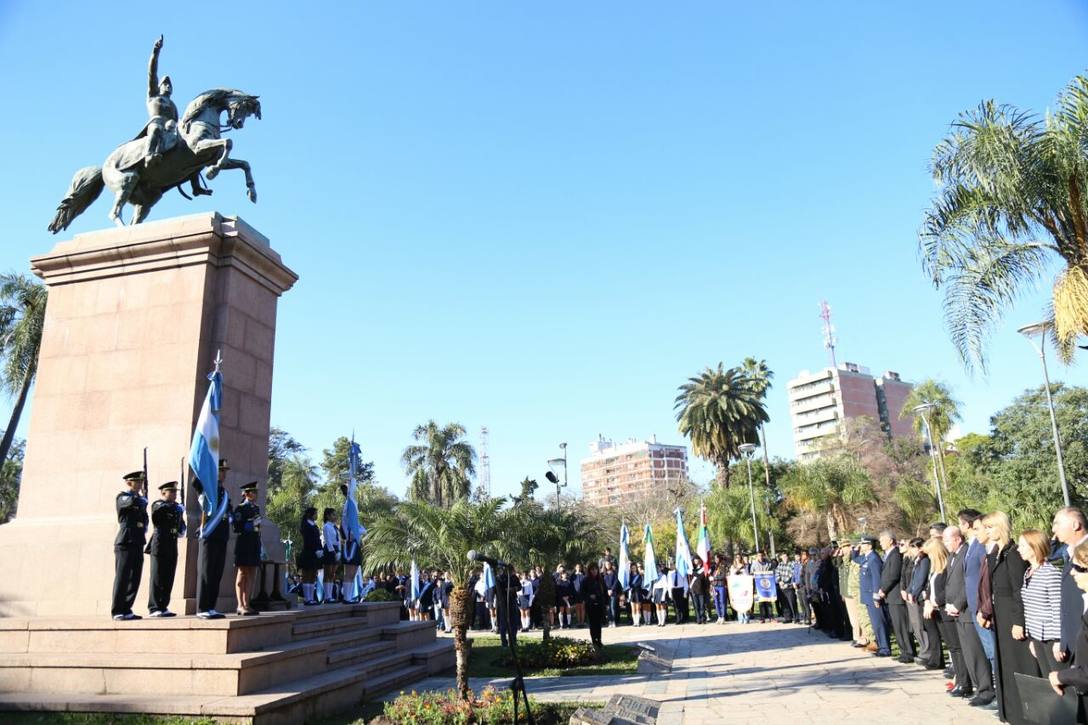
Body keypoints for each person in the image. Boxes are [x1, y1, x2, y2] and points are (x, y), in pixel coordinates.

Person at [983, 511, 1033, 724]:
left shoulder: (1012, 553)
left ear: (1000, 527)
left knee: (1017, 664)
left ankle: (1022, 714)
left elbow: (1019, 590)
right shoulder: (997, 552)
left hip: (1012, 617)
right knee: (1004, 664)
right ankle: (1009, 712)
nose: (987, 531)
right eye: (985, 527)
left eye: (990, 527)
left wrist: (1018, 621)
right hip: (1000, 616)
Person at [944, 524, 994, 706]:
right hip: (957, 612)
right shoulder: (952, 556)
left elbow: (969, 583)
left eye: (947, 539)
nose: (945, 543)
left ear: (957, 539)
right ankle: (977, 687)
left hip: (966, 609)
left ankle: (986, 690)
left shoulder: (967, 551)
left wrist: (957, 604)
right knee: (968, 653)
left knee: (977, 653)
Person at [1020, 528, 1063, 676]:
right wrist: (1031, 638)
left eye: (1023, 546)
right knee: (1047, 678)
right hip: (1037, 635)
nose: (1019, 549)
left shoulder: (1050, 573)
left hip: (1051, 637)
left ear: (1035, 547)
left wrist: (1059, 640)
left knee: (1059, 678)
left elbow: (1058, 608)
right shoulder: (1028, 573)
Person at [194, 459, 232, 619]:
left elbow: (228, 510)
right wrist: (205, 470)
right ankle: (203, 607)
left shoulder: (224, 492)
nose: (224, 474)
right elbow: (195, 483)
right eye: (221, 471)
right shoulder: (208, 488)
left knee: (216, 572)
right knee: (206, 572)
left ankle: (211, 606)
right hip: (210, 535)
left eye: (224, 471)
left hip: (221, 535)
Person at [1053, 506, 1088, 668]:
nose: (1053, 529)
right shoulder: (1069, 553)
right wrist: (1063, 638)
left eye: (1057, 523)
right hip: (1074, 640)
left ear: (1075, 525)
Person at [112, 470, 148, 620]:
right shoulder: (122, 497)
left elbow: (145, 518)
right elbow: (131, 502)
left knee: (135, 577)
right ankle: (117, 610)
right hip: (125, 541)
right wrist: (141, 498)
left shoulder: (140, 500)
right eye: (137, 482)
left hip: (138, 541)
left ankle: (127, 608)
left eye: (141, 482)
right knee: (122, 577)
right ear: (129, 483)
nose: (140, 485)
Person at [147, 480, 183, 617]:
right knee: (157, 576)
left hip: (171, 543)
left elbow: (180, 524)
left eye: (175, 492)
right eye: (171, 492)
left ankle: (163, 606)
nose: (174, 494)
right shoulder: (158, 504)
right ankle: (154, 606)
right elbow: (159, 513)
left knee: (169, 576)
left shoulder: (175, 507)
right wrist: (175, 508)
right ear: (163, 492)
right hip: (159, 544)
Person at [876, 531, 914, 663]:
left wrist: (883, 590)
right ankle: (904, 651)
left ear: (891, 541)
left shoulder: (895, 555)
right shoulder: (888, 555)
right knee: (897, 626)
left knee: (902, 626)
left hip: (896, 595)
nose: (880, 543)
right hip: (890, 597)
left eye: (882, 540)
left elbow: (894, 575)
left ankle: (908, 652)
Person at [853, 537, 890, 656]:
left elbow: (876, 578)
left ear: (869, 545)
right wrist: (855, 549)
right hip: (867, 596)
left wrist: (876, 596)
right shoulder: (866, 557)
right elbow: (855, 559)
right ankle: (881, 646)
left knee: (879, 623)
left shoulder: (874, 558)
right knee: (875, 623)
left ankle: (885, 648)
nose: (861, 545)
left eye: (863, 543)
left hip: (872, 596)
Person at [231, 481, 262, 616]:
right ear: (246, 494)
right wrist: (249, 524)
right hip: (243, 541)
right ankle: (240, 605)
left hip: (254, 542)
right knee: (242, 573)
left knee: (252, 573)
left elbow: (258, 528)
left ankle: (247, 603)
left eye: (255, 492)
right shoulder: (240, 508)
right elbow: (236, 527)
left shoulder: (256, 508)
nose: (255, 494)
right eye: (252, 492)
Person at [298, 506, 322, 605]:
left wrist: (320, 549)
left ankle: (311, 598)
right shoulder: (306, 525)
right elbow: (308, 540)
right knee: (307, 575)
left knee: (312, 575)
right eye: (315, 513)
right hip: (308, 552)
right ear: (310, 515)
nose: (316, 515)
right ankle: (307, 598)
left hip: (315, 552)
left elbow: (318, 539)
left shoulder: (314, 525)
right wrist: (315, 549)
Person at [583, 562, 608, 648]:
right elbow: (581, 593)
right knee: (592, 624)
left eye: (595, 569)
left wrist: (606, 603)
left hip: (600, 604)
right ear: (589, 570)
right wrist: (589, 596)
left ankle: (599, 640)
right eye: (592, 569)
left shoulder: (601, 579)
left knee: (599, 624)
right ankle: (594, 640)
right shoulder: (585, 580)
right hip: (590, 605)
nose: (594, 571)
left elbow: (605, 592)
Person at [320, 508, 340, 604]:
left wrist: (339, 551)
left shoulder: (335, 527)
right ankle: (327, 597)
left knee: (332, 574)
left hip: (336, 550)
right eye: (333, 515)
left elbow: (338, 540)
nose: (335, 517)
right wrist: (333, 552)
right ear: (327, 516)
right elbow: (328, 541)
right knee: (328, 573)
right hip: (329, 550)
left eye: (335, 515)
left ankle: (330, 596)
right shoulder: (326, 526)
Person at [750, 551, 774, 624]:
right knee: (761, 602)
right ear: (757, 557)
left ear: (763, 556)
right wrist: (755, 576)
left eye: (761, 556)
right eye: (759, 556)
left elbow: (772, 567)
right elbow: (751, 573)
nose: (760, 557)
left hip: (767, 585)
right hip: (759, 586)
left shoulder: (767, 563)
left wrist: (767, 557)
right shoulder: (754, 564)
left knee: (768, 601)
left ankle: (771, 617)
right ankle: (762, 618)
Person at [777, 552, 797, 625]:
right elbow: (777, 573)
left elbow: (792, 574)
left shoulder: (791, 564)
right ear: (781, 557)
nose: (785, 558)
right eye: (783, 557)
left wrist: (785, 582)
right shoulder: (780, 565)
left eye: (786, 556)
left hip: (789, 586)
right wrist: (779, 581)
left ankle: (795, 617)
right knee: (784, 604)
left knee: (792, 602)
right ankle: (787, 618)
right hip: (782, 587)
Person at [689, 558, 709, 624]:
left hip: (701, 589)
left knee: (702, 605)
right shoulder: (692, 569)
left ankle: (703, 618)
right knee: (696, 605)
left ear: (699, 560)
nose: (695, 561)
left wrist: (693, 573)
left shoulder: (703, 568)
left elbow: (701, 576)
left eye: (696, 560)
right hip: (694, 589)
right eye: (694, 560)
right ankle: (698, 619)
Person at [711, 556, 729, 624]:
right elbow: (710, 574)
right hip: (714, 586)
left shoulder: (723, 566)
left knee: (722, 601)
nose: (716, 560)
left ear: (720, 559)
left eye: (717, 559)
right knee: (716, 602)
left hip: (721, 585)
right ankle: (719, 616)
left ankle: (723, 616)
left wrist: (714, 578)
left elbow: (723, 576)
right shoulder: (713, 567)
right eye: (715, 559)